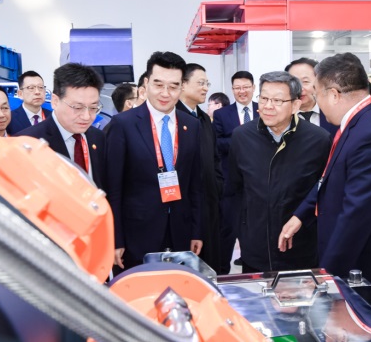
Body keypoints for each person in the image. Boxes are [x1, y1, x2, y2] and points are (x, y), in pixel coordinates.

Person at [279, 52, 371, 338]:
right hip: (364, 267)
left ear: (333, 94)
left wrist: (325, 277)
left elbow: (357, 214)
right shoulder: (360, 122)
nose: (316, 102)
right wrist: (301, 214)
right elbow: (330, 179)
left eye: (316, 93)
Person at [105, 51, 203, 271]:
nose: (165, 93)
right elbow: (114, 188)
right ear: (146, 84)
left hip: (180, 231)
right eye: (158, 84)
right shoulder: (123, 124)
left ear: (182, 87)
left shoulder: (192, 125)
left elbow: (195, 183)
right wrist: (115, 238)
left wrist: (196, 231)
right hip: (136, 234)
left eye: (173, 86)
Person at [226, 71, 330, 273]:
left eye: (277, 100)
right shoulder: (242, 136)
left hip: (300, 247)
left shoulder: (318, 140)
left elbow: (323, 190)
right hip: (255, 248)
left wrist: (302, 218)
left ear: (295, 105)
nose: (268, 106)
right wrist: (242, 231)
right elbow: (234, 190)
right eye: (264, 98)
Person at [17, 63, 106, 189]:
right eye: (77, 107)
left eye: (93, 108)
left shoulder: (99, 138)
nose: (86, 116)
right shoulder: (28, 142)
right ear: (55, 101)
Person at [176, 63, 223, 273]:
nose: (205, 88)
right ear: (183, 84)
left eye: (207, 84)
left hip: (210, 202)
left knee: (210, 264)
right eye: (201, 83)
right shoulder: (174, 117)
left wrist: (218, 185)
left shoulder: (204, 119)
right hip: (186, 204)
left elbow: (215, 158)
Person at [212, 70, 259, 274]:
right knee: (228, 231)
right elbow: (216, 143)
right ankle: (222, 273)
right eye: (237, 88)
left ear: (253, 88)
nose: (242, 91)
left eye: (246, 87)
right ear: (232, 90)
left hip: (259, 182)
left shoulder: (263, 110)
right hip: (231, 183)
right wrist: (244, 139)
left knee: (255, 231)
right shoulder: (222, 114)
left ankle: (253, 271)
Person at [285, 58, 338, 137]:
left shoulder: (334, 112)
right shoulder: (281, 115)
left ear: (319, 83)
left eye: (305, 81)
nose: (300, 88)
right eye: (294, 83)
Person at [6, 71, 52, 135]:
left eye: (41, 87)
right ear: (20, 94)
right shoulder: (9, 119)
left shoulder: (53, 117)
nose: (37, 92)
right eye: (31, 88)